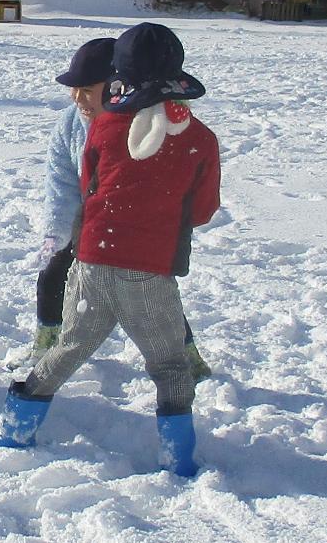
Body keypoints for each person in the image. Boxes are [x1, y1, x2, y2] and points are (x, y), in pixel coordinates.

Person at [0, 22, 221, 476]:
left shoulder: (101, 128)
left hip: (93, 259)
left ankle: (10, 433)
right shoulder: (199, 140)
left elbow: (87, 188)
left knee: (69, 347)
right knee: (170, 364)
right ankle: (179, 462)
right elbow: (204, 209)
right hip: (148, 270)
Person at [29, 36, 211, 376]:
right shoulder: (71, 125)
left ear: (117, 86)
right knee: (52, 275)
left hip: (136, 229)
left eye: (87, 90)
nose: (77, 98)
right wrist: (58, 234)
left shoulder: (140, 124)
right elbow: (62, 180)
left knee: (154, 296)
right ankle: (46, 341)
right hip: (91, 223)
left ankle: (186, 356)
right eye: (75, 89)